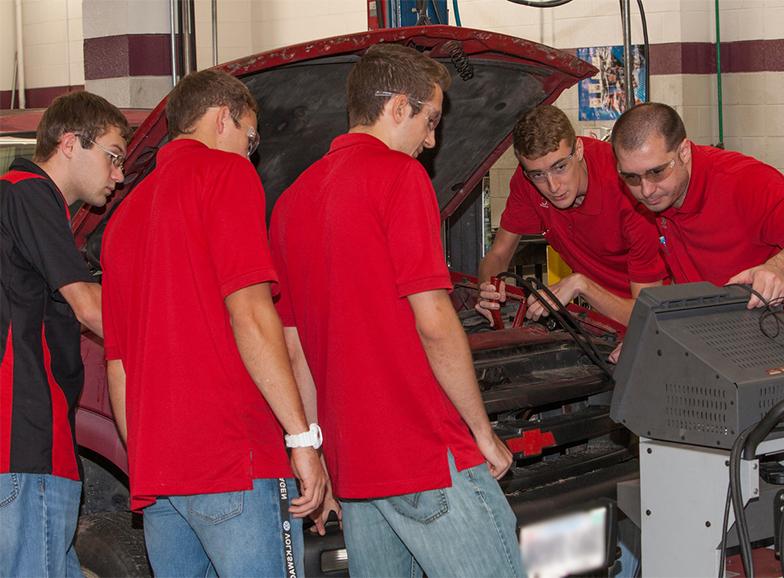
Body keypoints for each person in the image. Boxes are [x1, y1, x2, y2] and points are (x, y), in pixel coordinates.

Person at [269, 44, 525, 578]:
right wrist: (482, 432)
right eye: (430, 120)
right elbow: (433, 322)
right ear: (397, 107)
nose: (432, 140)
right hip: (423, 455)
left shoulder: (292, 202)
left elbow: (296, 350)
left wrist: (320, 454)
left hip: (357, 469)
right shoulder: (399, 177)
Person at [100, 69, 325, 577]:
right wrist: (301, 439)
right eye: (251, 138)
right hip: (231, 459)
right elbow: (250, 314)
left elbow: (119, 365)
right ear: (223, 118)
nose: (251, 153)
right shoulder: (226, 175)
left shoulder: (122, 219)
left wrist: (149, 458)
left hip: (160, 477)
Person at [611, 102, 784, 379]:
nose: (645, 189)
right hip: (758, 357)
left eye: (657, 172)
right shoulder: (658, 201)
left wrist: (780, 268)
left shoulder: (741, 181)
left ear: (684, 151)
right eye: (631, 177)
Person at [0, 91, 128, 577]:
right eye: (113, 156)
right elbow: (89, 307)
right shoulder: (28, 193)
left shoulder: (18, 202)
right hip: (26, 443)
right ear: (71, 143)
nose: (118, 174)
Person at [477, 105, 666, 331]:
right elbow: (498, 254)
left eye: (560, 167)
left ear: (578, 150)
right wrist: (488, 288)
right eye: (538, 174)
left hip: (658, 313)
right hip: (605, 314)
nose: (553, 186)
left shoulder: (627, 188)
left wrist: (582, 285)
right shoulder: (526, 181)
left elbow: (649, 314)